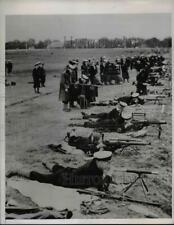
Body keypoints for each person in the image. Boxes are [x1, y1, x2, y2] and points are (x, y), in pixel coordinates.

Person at [6, 151, 113, 191]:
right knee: (42, 178)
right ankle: (17, 170)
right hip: (64, 180)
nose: (108, 165)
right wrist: (109, 176)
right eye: (106, 163)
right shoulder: (94, 170)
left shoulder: (93, 163)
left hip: (70, 172)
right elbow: (103, 188)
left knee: (60, 168)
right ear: (98, 161)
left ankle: (46, 162)